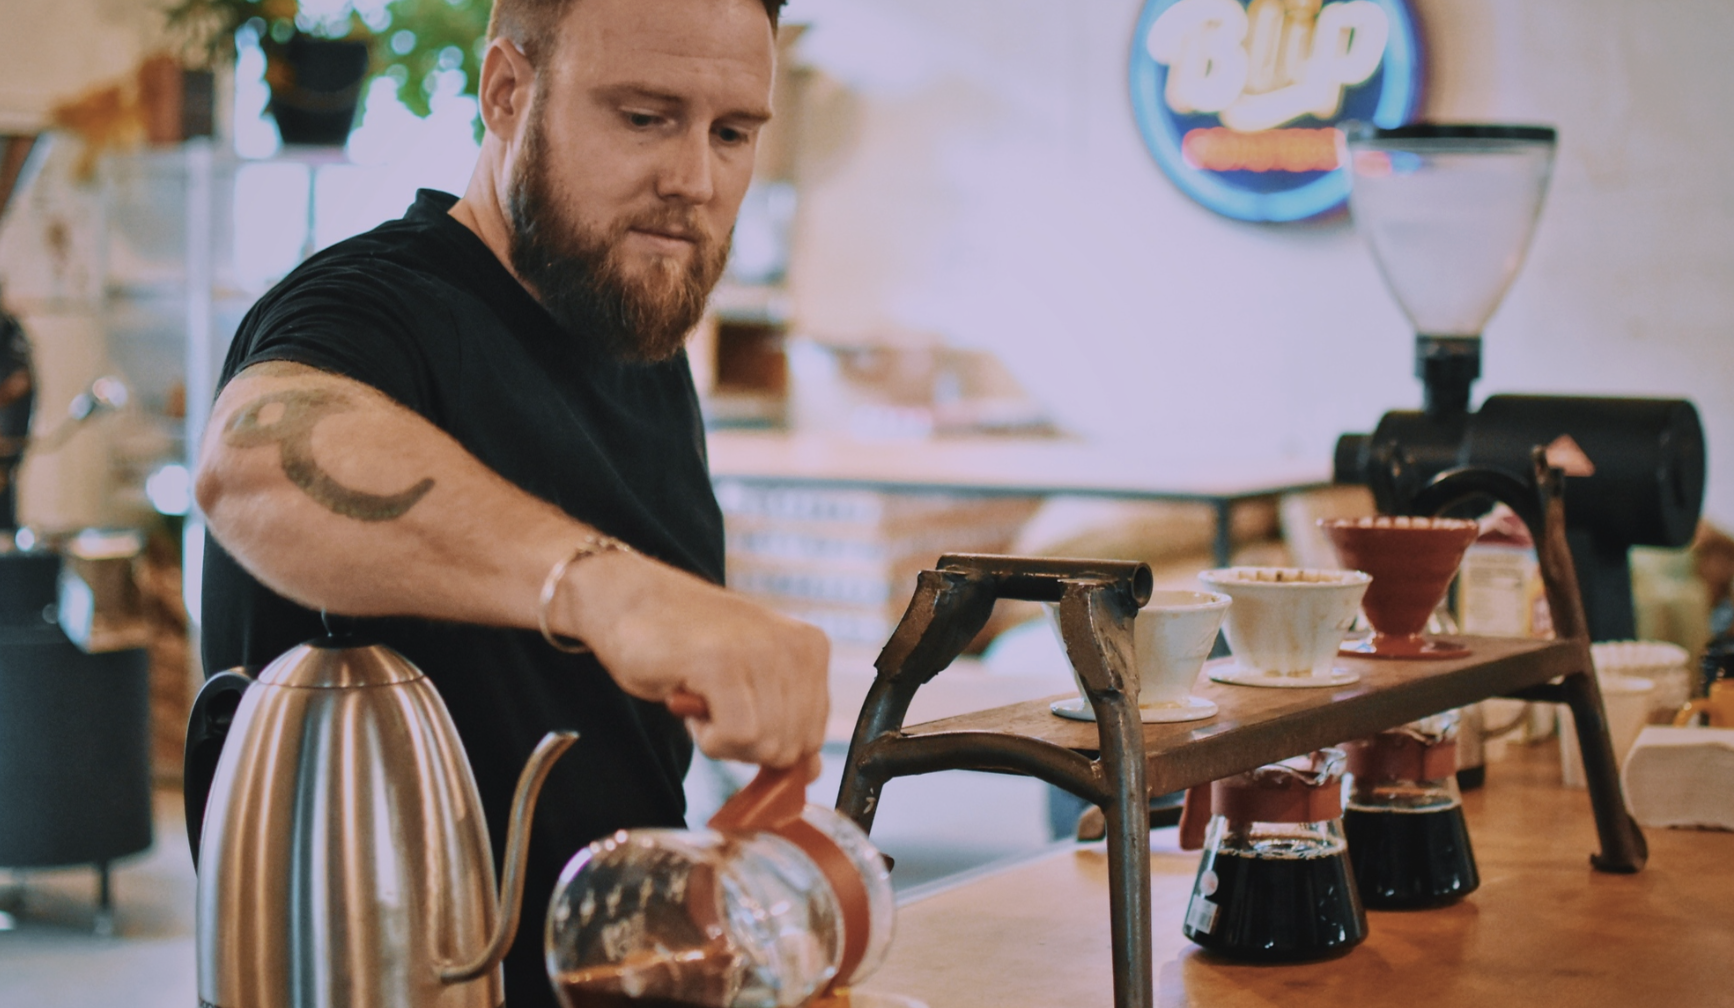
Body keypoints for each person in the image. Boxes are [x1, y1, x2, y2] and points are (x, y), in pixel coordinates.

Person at [192, 0, 828, 1002]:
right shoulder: (372, 307)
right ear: (505, 92)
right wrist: (609, 592)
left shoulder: (635, 341)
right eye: (644, 117)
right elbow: (252, 459)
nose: (695, 181)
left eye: (732, 133)